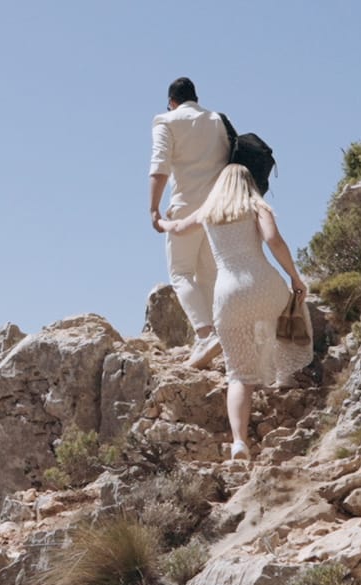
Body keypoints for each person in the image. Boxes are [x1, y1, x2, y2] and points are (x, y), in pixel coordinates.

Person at [158, 163, 313, 460]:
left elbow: (177, 228)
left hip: (228, 293)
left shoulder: (208, 212)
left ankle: (240, 442)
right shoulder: (257, 205)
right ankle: (283, 376)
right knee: (289, 314)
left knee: (239, 375)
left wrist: (160, 222)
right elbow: (273, 240)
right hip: (264, 283)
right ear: (249, 183)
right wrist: (294, 276)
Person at [150, 77, 233, 369]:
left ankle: (204, 332)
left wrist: (153, 208)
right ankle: (217, 338)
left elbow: (159, 166)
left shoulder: (167, 121)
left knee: (181, 274)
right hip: (218, 210)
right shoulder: (217, 120)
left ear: (172, 102)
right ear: (195, 98)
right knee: (209, 274)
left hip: (185, 209)